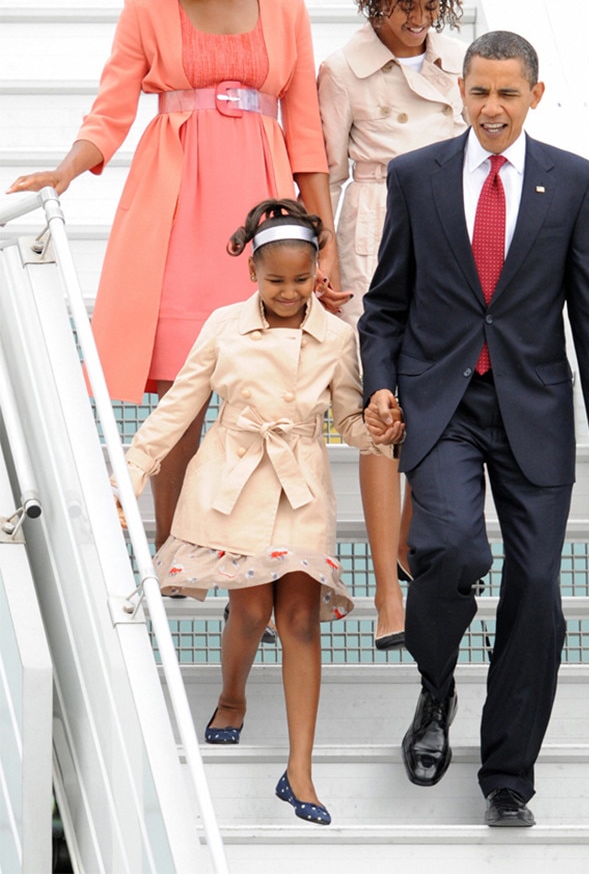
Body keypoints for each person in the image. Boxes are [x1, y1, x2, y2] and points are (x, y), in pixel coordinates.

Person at [7, 0, 346, 553]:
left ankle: (259, 550)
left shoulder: (287, 8)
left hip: (264, 206)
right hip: (179, 206)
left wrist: (325, 235)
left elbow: (306, 131)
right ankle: (176, 547)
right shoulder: (147, 8)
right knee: (183, 390)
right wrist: (68, 170)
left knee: (268, 383)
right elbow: (110, 113)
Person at [359, 31, 589, 826]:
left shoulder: (575, 182)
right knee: (450, 549)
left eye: (508, 94)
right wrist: (381, 384)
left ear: (534, 97)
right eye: (479, 92)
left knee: (539, 591)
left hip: (535, 409)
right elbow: (385, 307)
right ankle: (437, 684)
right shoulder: (417, 176)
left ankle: (509, 776)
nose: (492, 108)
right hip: (443, 404)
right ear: (461, 93)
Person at [114, 199, 387, 826]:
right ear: (253, 275)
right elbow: (179, 406)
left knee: (298, 616)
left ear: (318, 271)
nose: (289, 293)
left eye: (301, 279)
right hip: (231, 482)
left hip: (302, 488)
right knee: (252, 607)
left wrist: (376, 430)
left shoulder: (339, 336)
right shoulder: (223, 325)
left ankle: (300, 772)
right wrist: (128, 475)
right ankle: (232, 696)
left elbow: (348, 422)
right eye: (275, 281)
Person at [317, 0, 467, 650]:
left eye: (429, 5)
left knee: (436, 404)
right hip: (376, 236)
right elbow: (326, 171)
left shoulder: (456, 65)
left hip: (453, 241)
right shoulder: (344, 68)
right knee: (382, 410)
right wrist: (330, 267)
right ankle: (384, 593)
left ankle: (409, 544)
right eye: (404, 3)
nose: (416, 18)